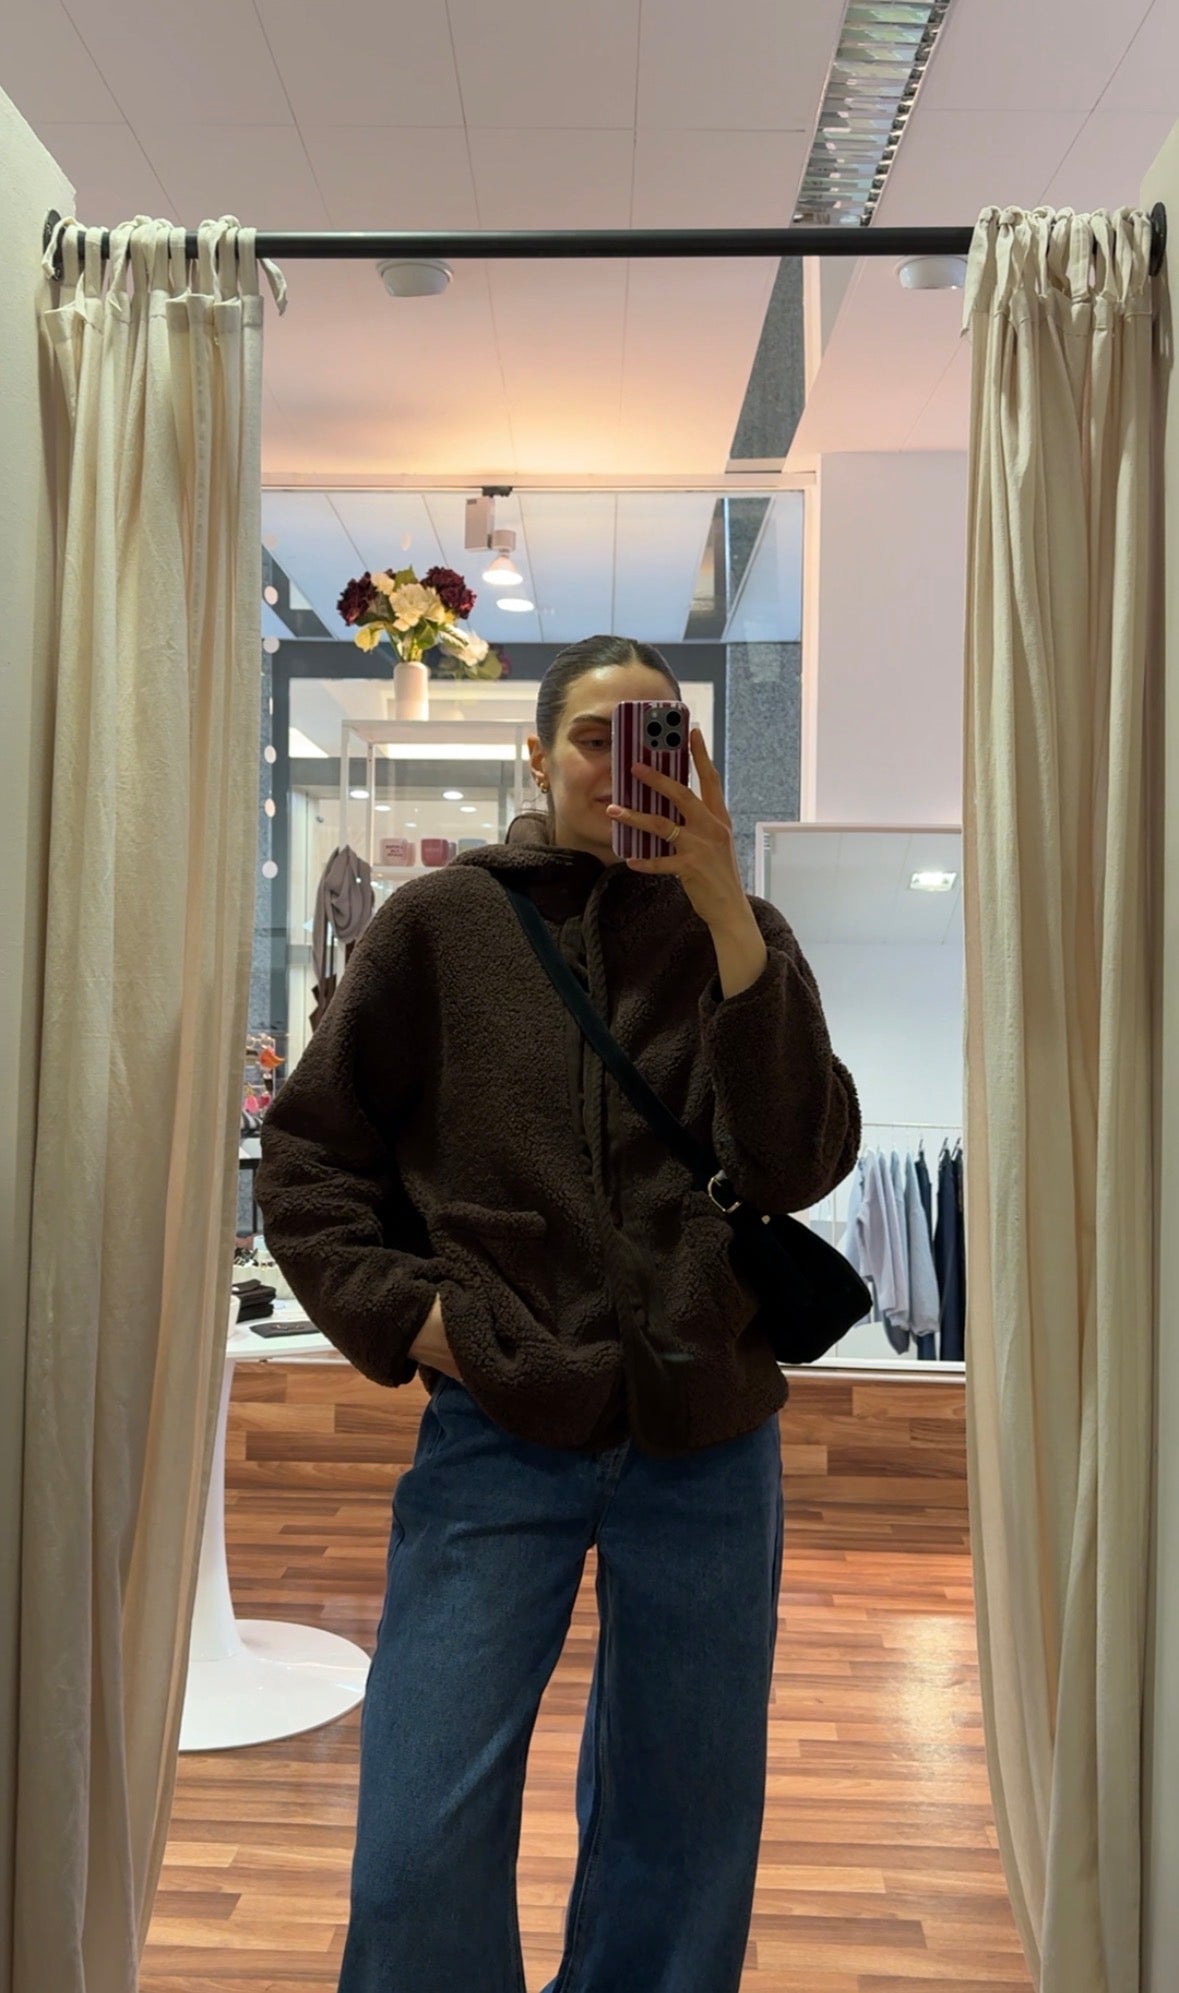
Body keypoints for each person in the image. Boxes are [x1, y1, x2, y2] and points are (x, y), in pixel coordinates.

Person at [256, 634, 861, 1993]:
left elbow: (795, 1161)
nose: (624, 764)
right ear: (535, 758)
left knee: (685, 1827)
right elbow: (306, 1164)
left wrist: (729, 918)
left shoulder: (741, 935)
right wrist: (425, 1323)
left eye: (659, 736)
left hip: (707, 1438)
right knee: (417, 1838)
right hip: (499, 1426)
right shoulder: (441, 925)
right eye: (596, 736)